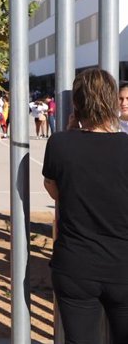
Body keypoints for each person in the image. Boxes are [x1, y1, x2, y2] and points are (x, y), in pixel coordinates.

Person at [42, 68, 128, 343]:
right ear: (113, 102)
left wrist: (69, 133)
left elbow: (55, 191)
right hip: (122, 264)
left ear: (77, 104)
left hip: (76, 264)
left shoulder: (60, 143)